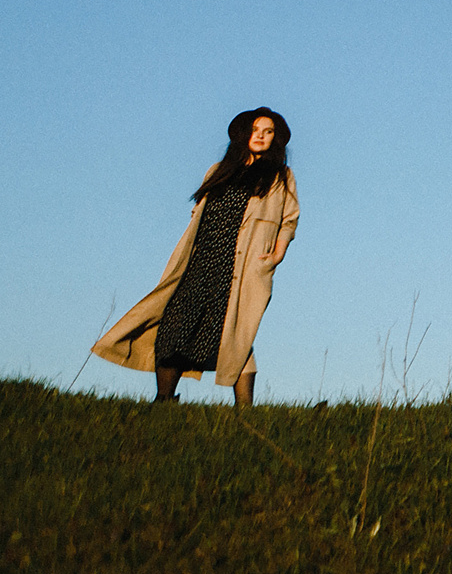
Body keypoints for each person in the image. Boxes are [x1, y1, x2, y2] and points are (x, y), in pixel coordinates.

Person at [93, 108, 299, 409]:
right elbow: (199, 212)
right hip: (201, 261)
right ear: (243, 134)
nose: (261, 136)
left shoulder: (281, 176)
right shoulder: (218, 170)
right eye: (256, 129)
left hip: (241, 266)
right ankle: (164, 401)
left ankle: (245, 410)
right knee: (174, 325)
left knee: (234, 335)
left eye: (268, 132)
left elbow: (289, 219)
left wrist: (277, 253)